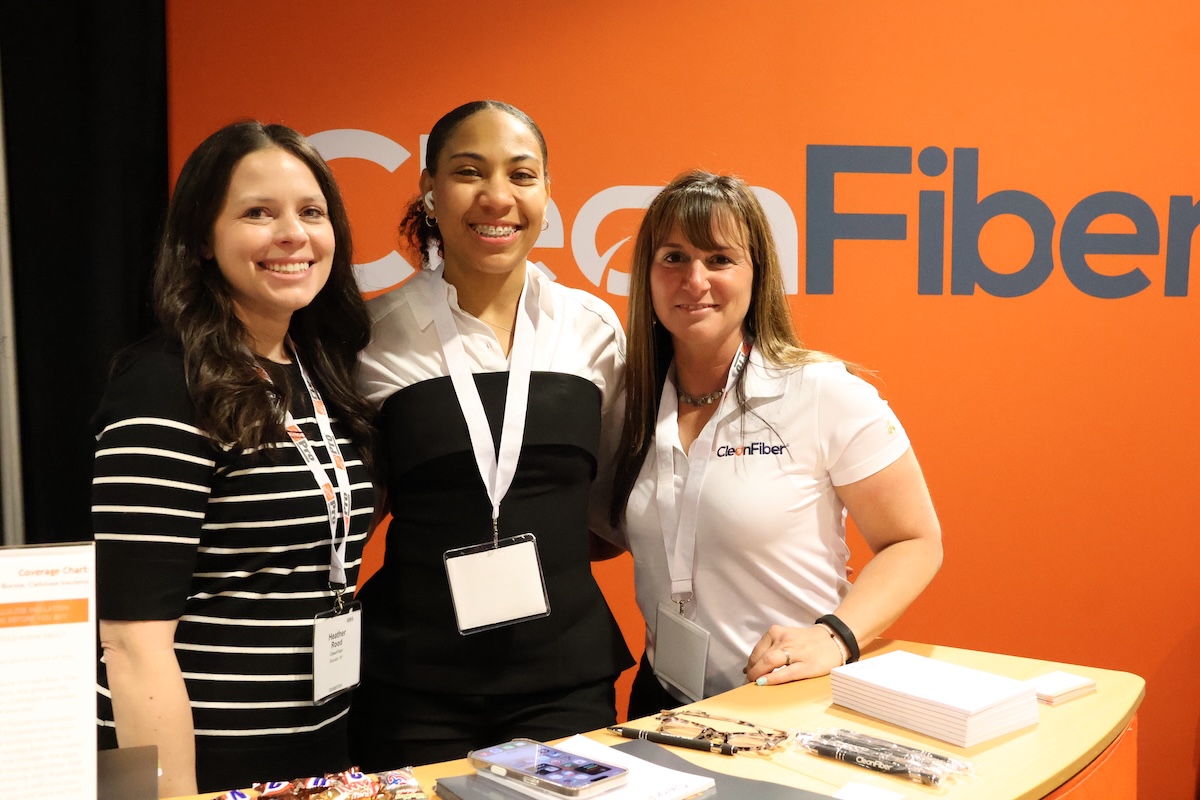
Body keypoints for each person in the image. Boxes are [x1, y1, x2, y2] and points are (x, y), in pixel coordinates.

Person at [94, 121, 377, 796]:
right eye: (258, 213)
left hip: (314, 747)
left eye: (312, 212)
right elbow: (133, 646)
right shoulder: (162, 386)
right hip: (198, 766)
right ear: (200, 239)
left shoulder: (320, 373)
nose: (293, 234)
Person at [350, 100, 633, 768]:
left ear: (547, 192)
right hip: (413, 686)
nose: (497, 197)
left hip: (564, 681)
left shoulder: (591, 329)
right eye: (469, 172)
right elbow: (354, 511)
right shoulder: (370, 336)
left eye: (522, 175)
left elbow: (612, 497)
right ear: (429, 189)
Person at [610, 170, 943, 719]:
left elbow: (915, 540)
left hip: (789, 703)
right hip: (664, 701)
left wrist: (836, 636)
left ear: (756, 273)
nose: (695, 280)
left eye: (720, 259)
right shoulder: (632, 402)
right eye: (673, 258)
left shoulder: (822, 393)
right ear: (646, 274)